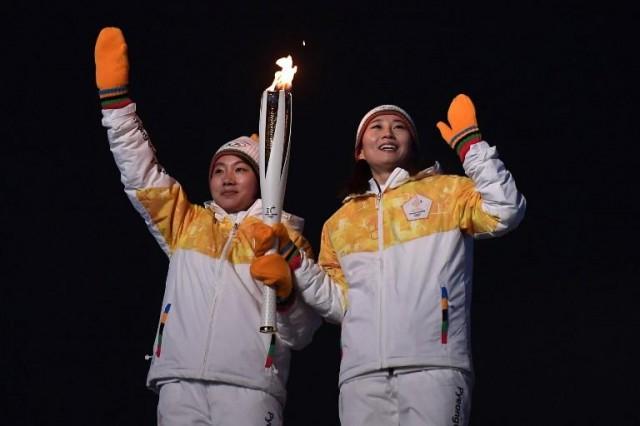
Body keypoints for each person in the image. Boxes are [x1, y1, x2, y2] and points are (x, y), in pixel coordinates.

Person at [250, 96, 526, 425]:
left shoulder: (448, 193)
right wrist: (292, 260)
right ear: (360, 151)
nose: (388, 133)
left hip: (434, 365)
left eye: (399, 127)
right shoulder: (340, 223)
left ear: (412, 144)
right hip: (361, 376)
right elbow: (338, 304)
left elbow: (505, 210)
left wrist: (471, 145)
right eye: (376, 127)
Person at [94, 27, 321, 426]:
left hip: (251, 387)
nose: (228, 178)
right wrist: (117, 107)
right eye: (219, 170)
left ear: (261, 180)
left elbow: (301, 333)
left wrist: (286, 295)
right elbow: (141, 174)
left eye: (240, 170)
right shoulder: (189, 224)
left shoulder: (286, 237)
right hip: (178, 383)